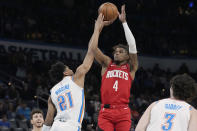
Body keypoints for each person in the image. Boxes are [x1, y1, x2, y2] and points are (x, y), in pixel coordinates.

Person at [42, 16, 110, 131]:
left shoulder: (52, 92)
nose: (71, 69)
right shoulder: (76, 78)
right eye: (68, 68)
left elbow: (49, 118)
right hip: (71, 127)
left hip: (56, 126)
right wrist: (97, 29)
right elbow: (91, 51)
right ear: (65, 72)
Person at [92, 5, 138, 131]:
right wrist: (97, 29)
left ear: (128, 56)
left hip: (123, 112)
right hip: (106, 112)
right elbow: (93, 49)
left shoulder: (131, 68)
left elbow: (132, 46)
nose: (116, 53)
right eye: (115, 51)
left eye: (121, 51)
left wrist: (124, 23)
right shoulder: (107, 64)